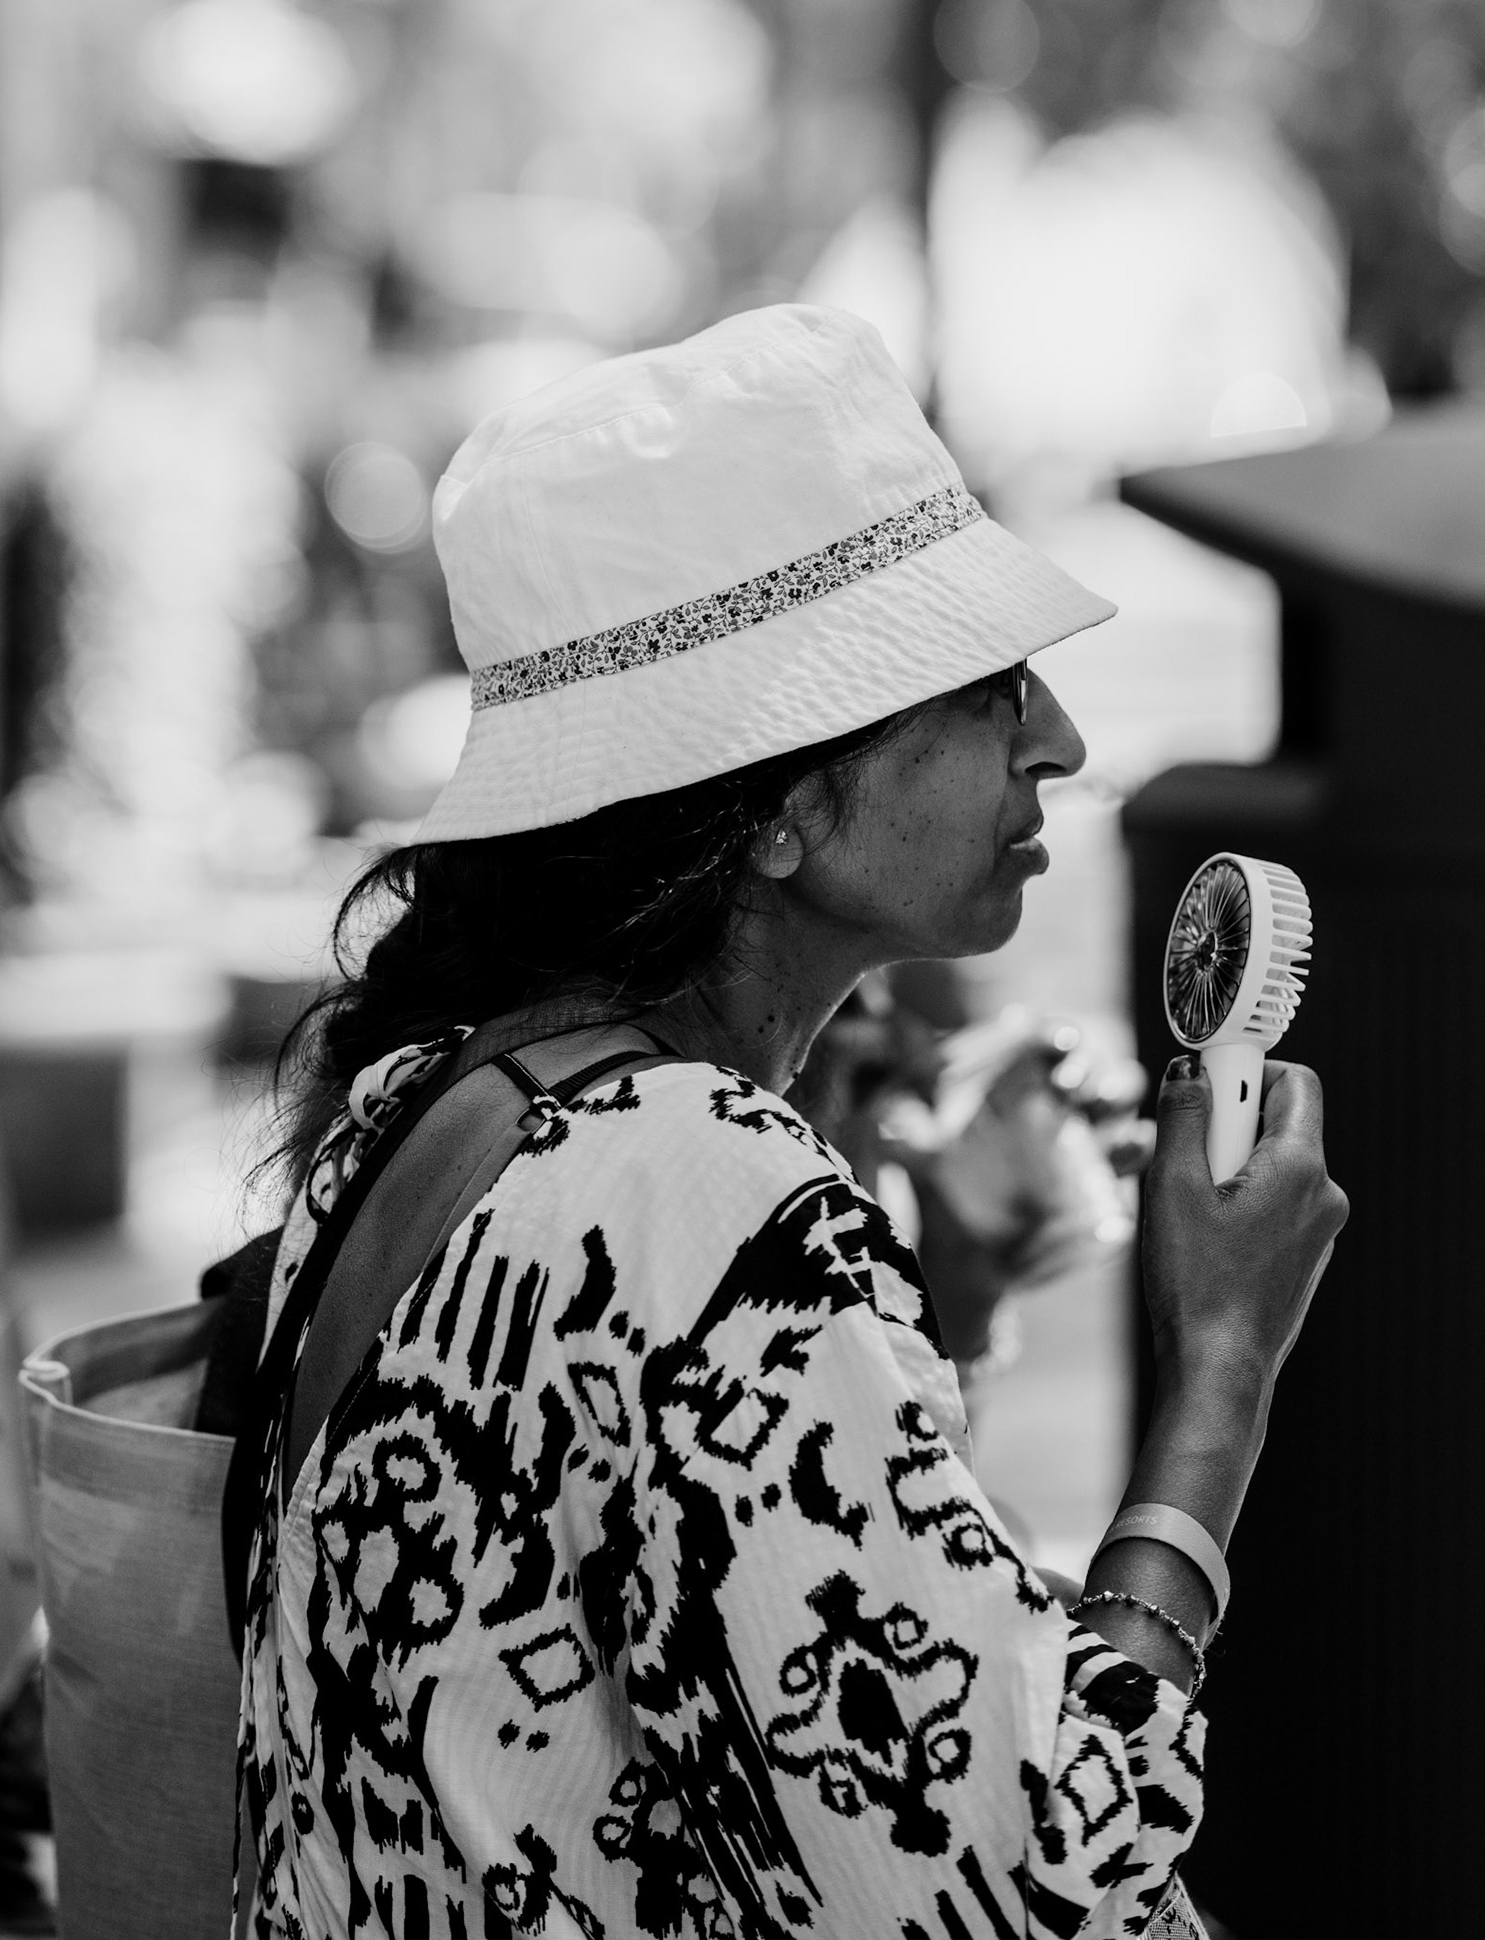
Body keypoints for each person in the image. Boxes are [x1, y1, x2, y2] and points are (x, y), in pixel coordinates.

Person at [234, 306, 1346, 1940]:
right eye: (981, 688)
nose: (1060, 737)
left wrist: (928, 1309)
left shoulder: (426, 1102)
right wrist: (1224, 1376)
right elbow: (1035, 1881)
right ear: (771, 806)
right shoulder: (708, 1190)